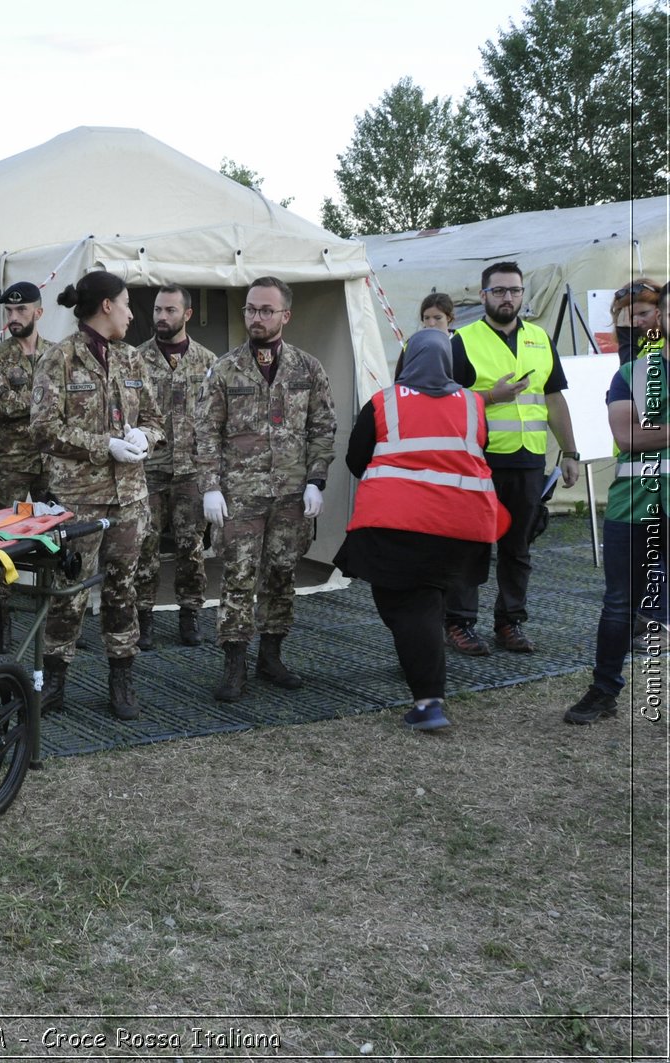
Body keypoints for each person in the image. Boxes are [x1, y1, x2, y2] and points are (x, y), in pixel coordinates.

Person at [334, 329, 505, 731]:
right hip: (463, 528)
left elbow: (356, 459)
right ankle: (424, 670)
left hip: (398, 526)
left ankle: (429, 703)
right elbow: (481, 453)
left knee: (409, 609)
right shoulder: (472, 403)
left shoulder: (383, 402)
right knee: (425, 605)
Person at [29, 270, 167, 720]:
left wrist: (145, 438)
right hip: (79, 499)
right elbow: (43, 428)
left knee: (123, 588)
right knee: (68, 590)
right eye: (127, 303)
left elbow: (157, 419)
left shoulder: (132, 360)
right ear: (106, 305)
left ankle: (121, 679)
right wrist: (102, 444)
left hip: (129, 498)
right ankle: (54, 681)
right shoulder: (59, 359)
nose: (132, 312)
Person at [197, 276, 337, 702]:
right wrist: (210, 487)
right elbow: (205, 431)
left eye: (265, 310)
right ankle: (234, 663)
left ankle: (271, 656)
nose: (256, 318)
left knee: (281, 575)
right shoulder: (224, 368)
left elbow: (323, 428)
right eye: (250, 310)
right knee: (238, 578)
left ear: (285, 316)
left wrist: (316, 481)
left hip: (292, 495)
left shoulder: (308, 369)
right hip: (240, 495)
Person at [443, 262, 582, 656]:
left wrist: (570, 452)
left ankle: (509, 622)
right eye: (500, 290)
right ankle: (459, 622)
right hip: (478, 462)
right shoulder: (462, 341)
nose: (508, 297)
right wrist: (490, 397)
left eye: (515, 291)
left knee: (518, 547)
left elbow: (554, 398)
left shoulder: (539, 338)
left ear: (523, 295)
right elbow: (445, 401)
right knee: (471, 544)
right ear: (483, 295)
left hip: (528, 462)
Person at [565, 280, 669, 724]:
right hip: (633, 508)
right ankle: (603, 692)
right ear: (663, 318)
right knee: (620, 605)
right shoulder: (632, 373)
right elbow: (626, 436)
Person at [130, 284, 216, 648]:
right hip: (148, 470)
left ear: (187, 315)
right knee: (144, 547)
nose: (162, 317)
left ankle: (190, 614)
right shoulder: (135, 359)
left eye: (170, 310)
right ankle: (144, 616)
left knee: (191, 548)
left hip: (191, 471)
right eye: (157, 310)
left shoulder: (209, 362)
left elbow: (215, 420)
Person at [0, 281, 52, 508]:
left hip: (51, 461)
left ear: (38, 313)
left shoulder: (57, 354)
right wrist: (48, 399)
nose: (13, 317)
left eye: (21, 310)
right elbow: (2, 404)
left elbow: (71, 403)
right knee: (2, 534)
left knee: (59, 531)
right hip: (10, 464)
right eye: (9, 311)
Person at [394, 293, 456, 378]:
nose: (431, 323)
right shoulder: (413, 344)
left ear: (448, 317)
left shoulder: (460, 342)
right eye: (426, 318)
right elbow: (400, 378)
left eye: (437, 318)